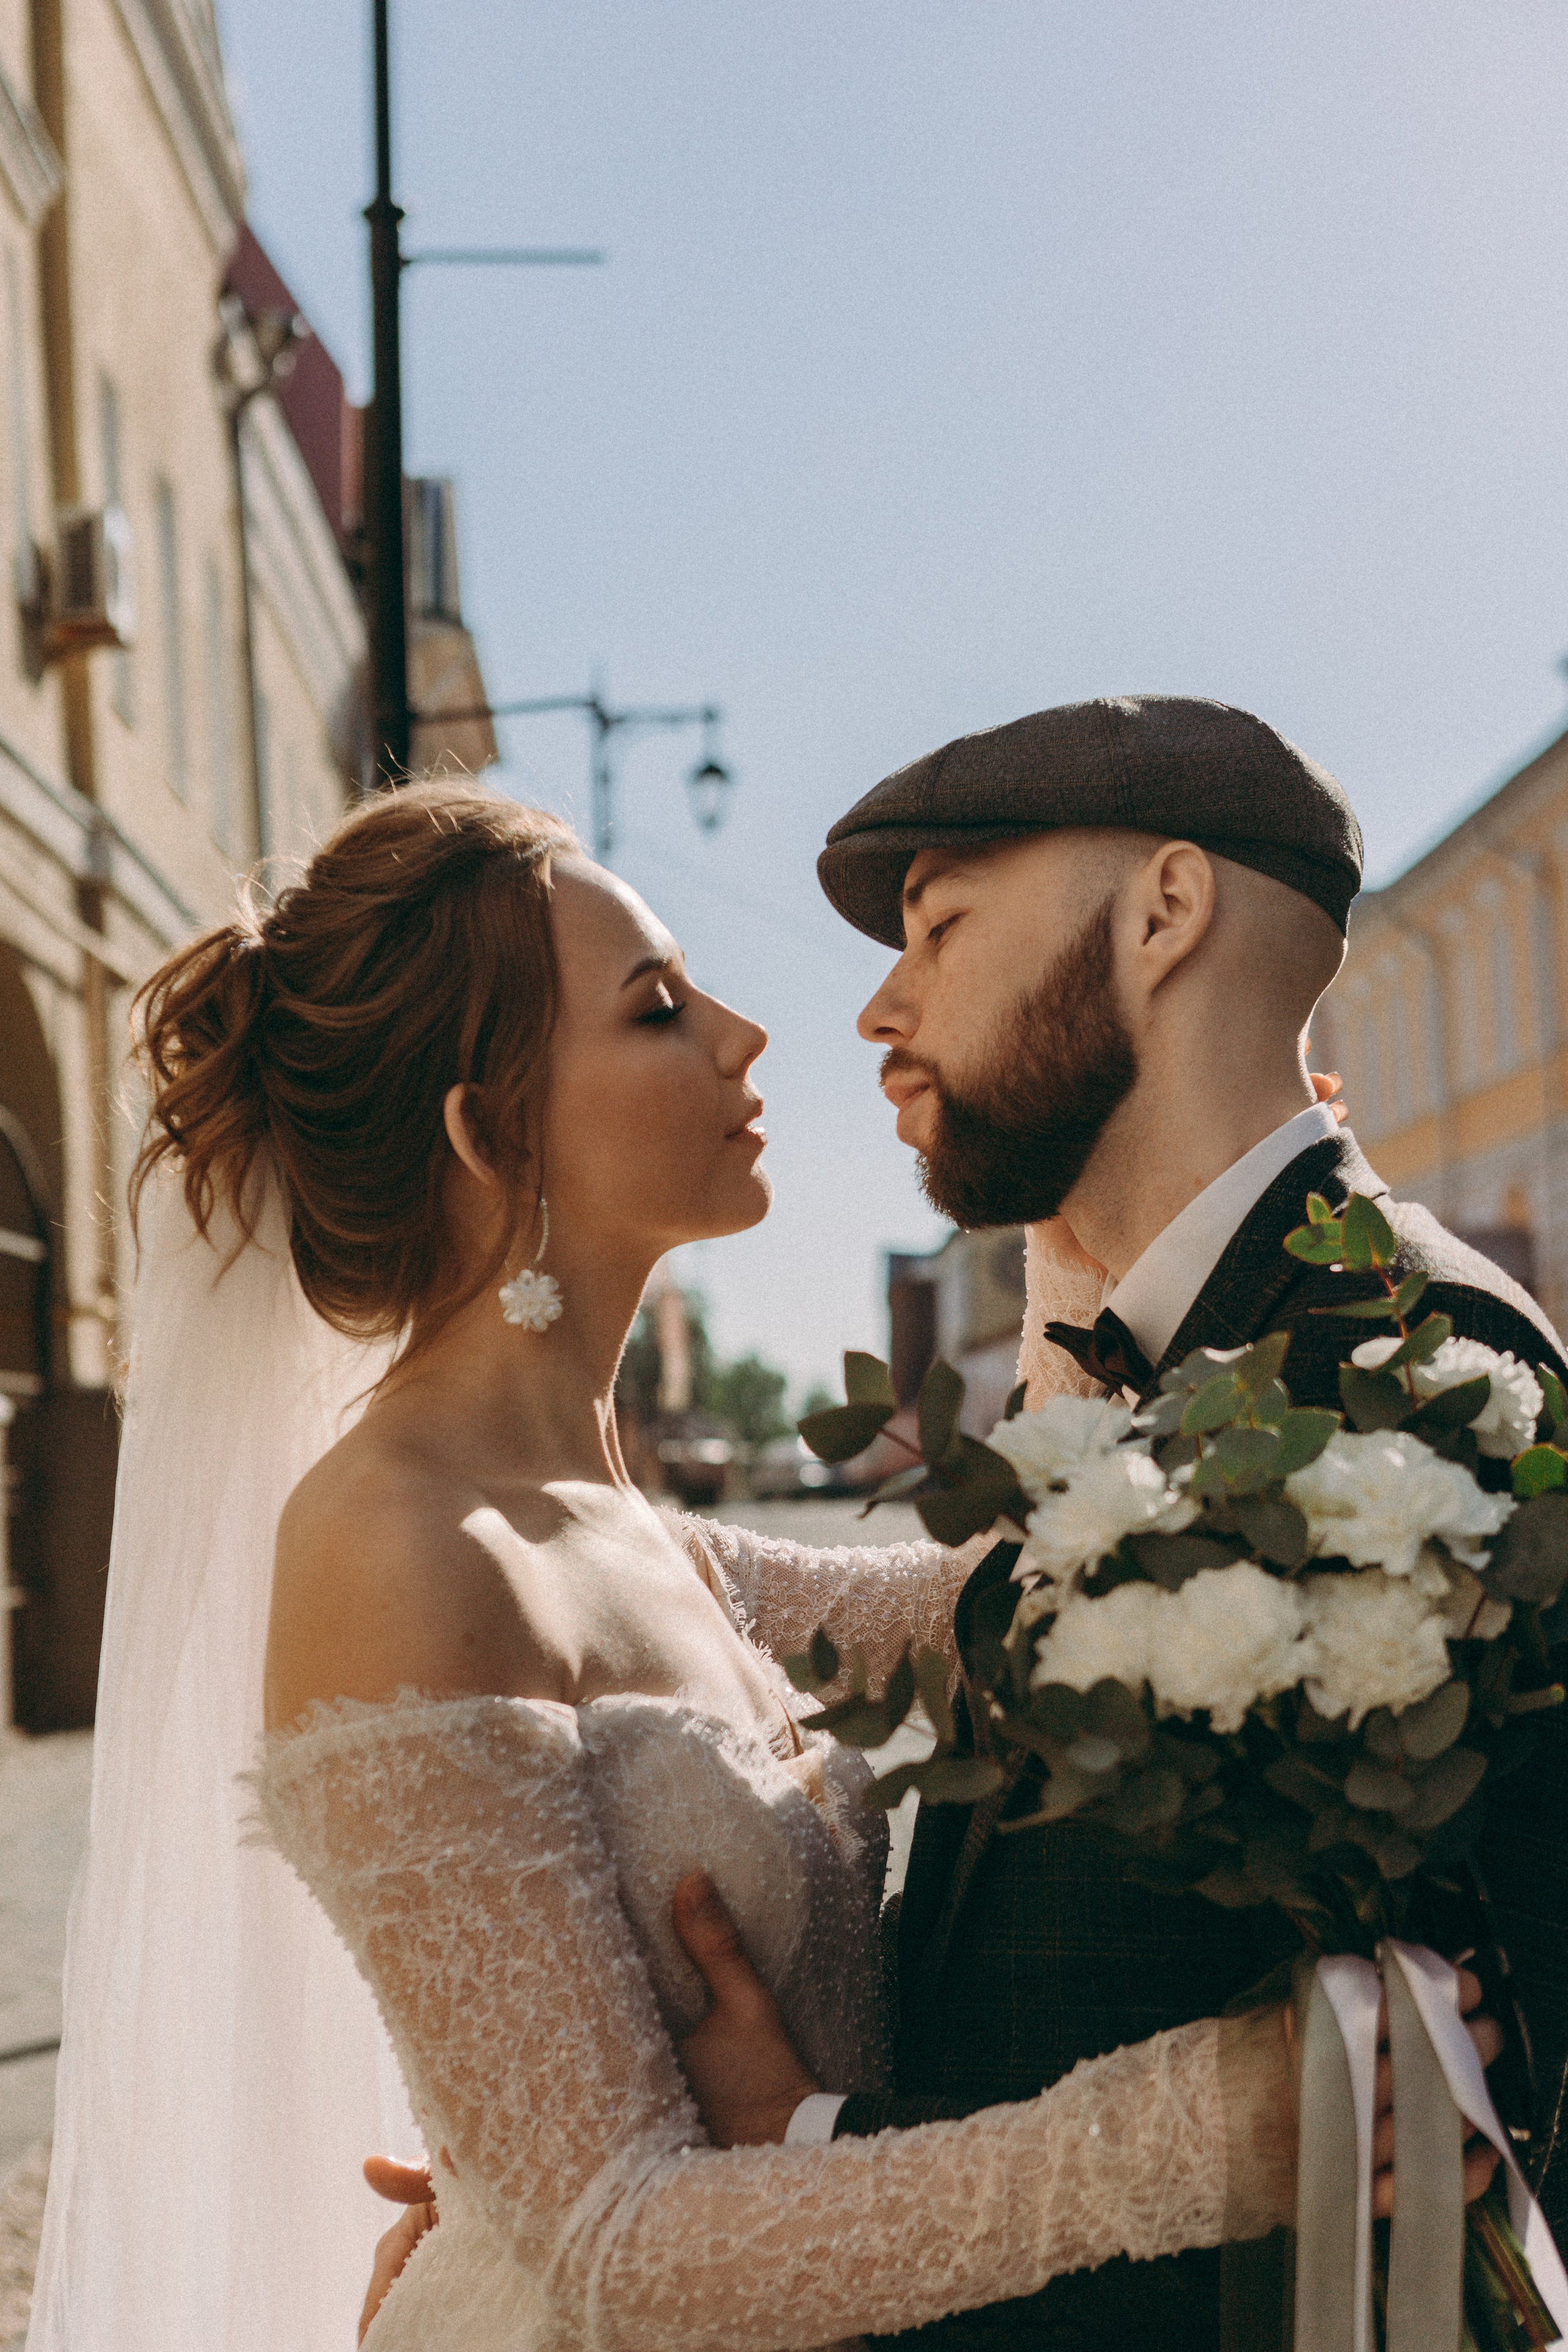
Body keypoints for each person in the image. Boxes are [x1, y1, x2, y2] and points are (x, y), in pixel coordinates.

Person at [29, 778, 1330, 2352]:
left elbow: (1013, 1604)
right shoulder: (396, 1542)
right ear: (489, 1130)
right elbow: (608, 2242)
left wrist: (1136, 1189)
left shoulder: (633, 1529)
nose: (744, 1035)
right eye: (655, 1010)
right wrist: (1201, 2135)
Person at [584, 695, 1568, 2352]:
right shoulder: (1152, 1360)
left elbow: (1407, 2133)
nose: (881, 1013)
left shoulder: (1408, 1390)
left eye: (943, 931)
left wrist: (801, 2160)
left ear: (1167, 913)